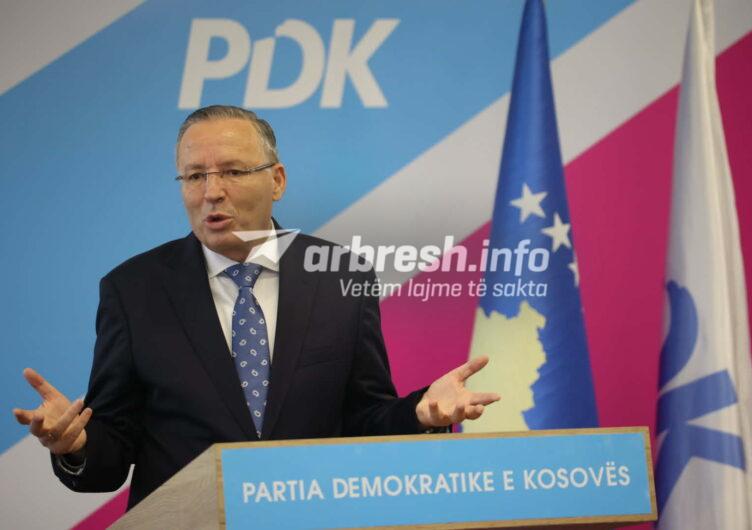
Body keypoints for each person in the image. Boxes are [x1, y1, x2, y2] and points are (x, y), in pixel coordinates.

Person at [12, 105, 500, 510]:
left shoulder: (340, 276)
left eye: (232, 171)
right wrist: (75, 445)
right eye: (194, 176)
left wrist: (421, 412)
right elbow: (113, 449)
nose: (211, 192)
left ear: (277, 180)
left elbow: (364, 420)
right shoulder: (133, 291)